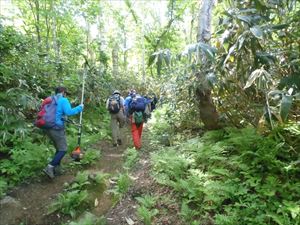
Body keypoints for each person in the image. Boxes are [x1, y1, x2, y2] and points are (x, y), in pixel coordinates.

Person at [43, 86, 84, 179]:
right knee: (63, 149)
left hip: (47, 127)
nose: (66, 95)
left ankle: (57, 169)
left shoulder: (50, 99)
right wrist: (80, 107)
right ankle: (50, 167)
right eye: (66, 93)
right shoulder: (63, 100)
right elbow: (69, 112)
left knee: (58, 149)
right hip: (57, 128)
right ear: (63, 92)